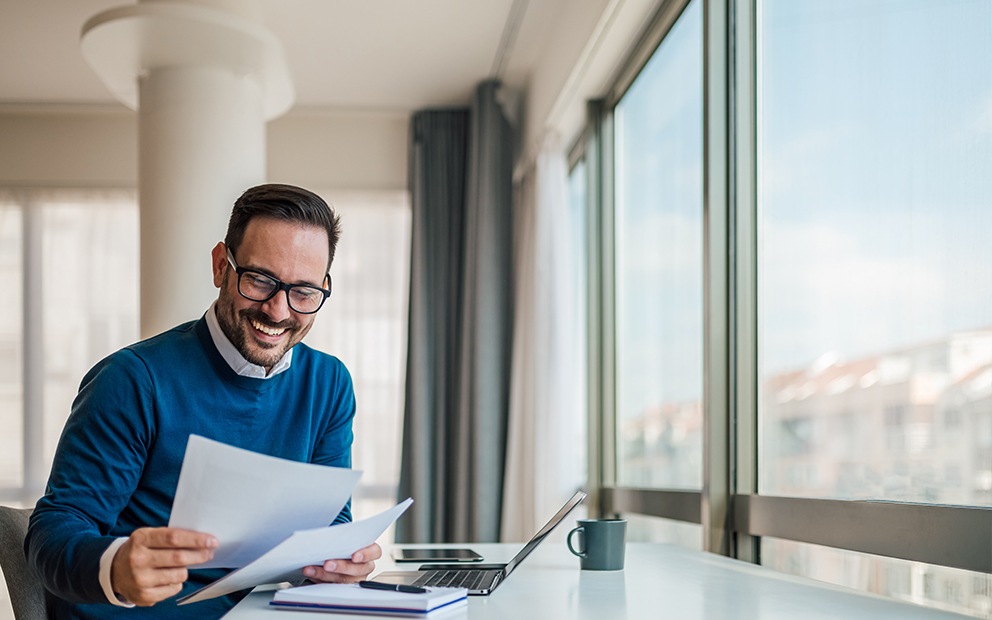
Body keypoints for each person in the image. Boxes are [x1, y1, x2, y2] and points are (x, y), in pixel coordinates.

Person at [26, 184, 381, 620]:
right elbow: (52, 532)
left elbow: (328, 525)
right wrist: (114, 567)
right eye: (259, 280)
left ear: (324, 288)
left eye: (304, 292)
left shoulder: (329, 385)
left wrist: (337, 562)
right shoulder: (133, 379)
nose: (278, 311)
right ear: (220, 266)